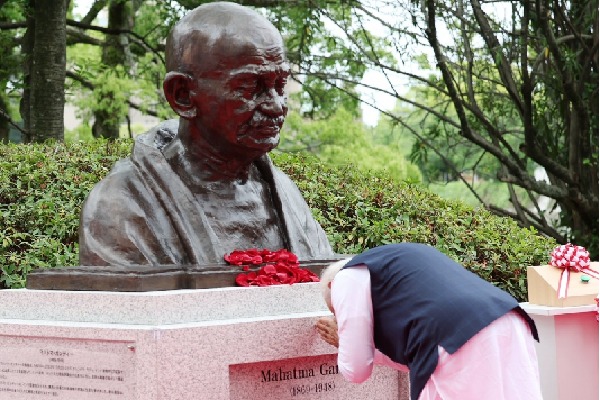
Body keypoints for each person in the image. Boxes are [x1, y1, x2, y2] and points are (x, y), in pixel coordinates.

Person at [78, 2, 334, 266]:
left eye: (279, 85)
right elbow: (130, 303)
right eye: (249, 87)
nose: (276, 105)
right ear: (183, 95)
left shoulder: (285, 194)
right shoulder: (123, 205)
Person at [316, 243, 543, 400]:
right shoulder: (397, 264)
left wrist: (345, 341)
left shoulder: (346, 278)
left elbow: (356, 371)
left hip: (459, 337)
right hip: (508, 319)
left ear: (331, 287)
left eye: (338, 312)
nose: (341, 320)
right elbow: (417, 357)